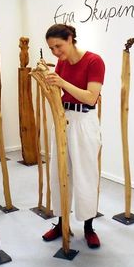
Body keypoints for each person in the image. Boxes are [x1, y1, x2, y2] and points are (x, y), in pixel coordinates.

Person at [42, 24, 105, 249]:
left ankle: (88, 227)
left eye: (58, 46)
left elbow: (90, 97)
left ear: (70, 39)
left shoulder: (94, 61)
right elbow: (58, 91)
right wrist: (46, 79)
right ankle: (61, 223)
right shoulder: (62, 62)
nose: (56, 52)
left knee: (85, 174)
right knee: (59, 172)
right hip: (63, 118)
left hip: (84, 121)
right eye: (51, 49)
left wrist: (62, 82)